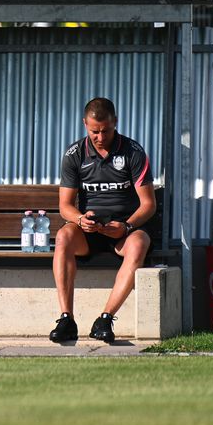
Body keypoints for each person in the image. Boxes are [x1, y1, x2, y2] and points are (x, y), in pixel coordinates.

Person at [50, 97, 155, 344]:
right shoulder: (74, 154)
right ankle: (66, 319)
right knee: (64, 236)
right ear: (85, 124)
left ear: (115, 123)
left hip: (123, 231)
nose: (99, 137)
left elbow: (149, 204)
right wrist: (79, 219)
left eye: (105, 131)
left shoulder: (133, 152)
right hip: (88, 231)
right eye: (93, 131)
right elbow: (65, 206)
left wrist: (127, 225)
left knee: (140, 243)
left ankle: (105, 319)